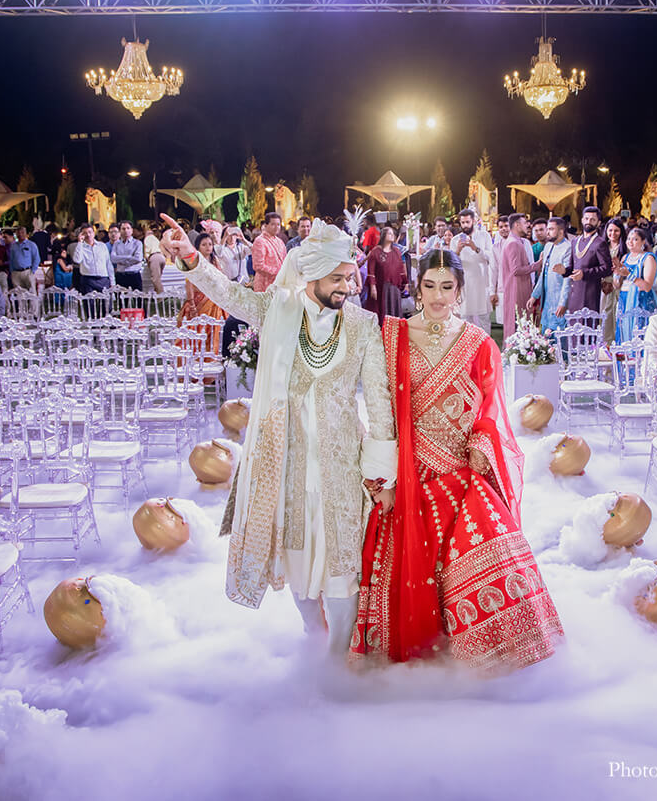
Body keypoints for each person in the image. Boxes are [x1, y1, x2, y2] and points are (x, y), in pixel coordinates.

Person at [161, 213, 397, 656]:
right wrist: (192, 259)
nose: (349, 287)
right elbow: (230, 295)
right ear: (312, 274)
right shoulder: (279, 309)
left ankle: (338, 659)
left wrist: (383, 475)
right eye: (339, 278)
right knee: (299, 561)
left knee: (343, 566)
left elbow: (380, 402)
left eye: (351, 277)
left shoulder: (363, 325)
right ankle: (314, 641)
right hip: (287, 463)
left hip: (343, 468)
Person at [352, 249, 563, 669]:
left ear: (461, 291)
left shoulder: (478, 343)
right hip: (409, 473)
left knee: (485, 546)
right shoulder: (391, 336)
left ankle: (486, 652)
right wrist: (382, 474)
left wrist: (482, 444)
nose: (437, 296)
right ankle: (423, 654)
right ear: (417, 288)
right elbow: (380, 406)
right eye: (429, 286)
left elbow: (490, 407)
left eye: (447, 287)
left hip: (463, 472)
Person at [176, 233, 227, 352]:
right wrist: (191, 304)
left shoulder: (215, 261)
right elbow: (189, 284)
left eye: (210, 244)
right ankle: (196, 355)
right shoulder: (193, 262)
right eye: (204, 245)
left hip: (215, 299)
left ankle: (213, 354)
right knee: (197, 329)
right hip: (198, 300)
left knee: (216, 327)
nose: (208, 247)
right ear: (198, 247)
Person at [449, 209, 496, 333]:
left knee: (484, 317)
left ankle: (486, 343)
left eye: (467, 222)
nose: (465, 225)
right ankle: (468, 344)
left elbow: (490, 257)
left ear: (474, 221)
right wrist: (457, 251)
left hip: (481, 281)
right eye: (463, 222)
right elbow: (451, 264)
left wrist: (475, 248)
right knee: (465, 317)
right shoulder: (455, 240)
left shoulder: (484, 235)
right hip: (465, 282)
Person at [527, 216, 573, 335]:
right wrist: (534, 296)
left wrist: (563, 303)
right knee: (545, 336)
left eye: (551, 229)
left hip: (559, 300)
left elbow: (567, 279)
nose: (547, 232)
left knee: (558, 337)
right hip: (547, 300)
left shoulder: (568, 248)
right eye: (547, 229)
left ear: (561, 231)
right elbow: (543, 274)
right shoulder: (548, 246)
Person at [614, 226, 657, 342]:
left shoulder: (648, 258)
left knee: (639, 331)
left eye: (635, 239)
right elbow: (617, 285)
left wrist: (629, 274)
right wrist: (617, 273)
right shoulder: (625, 257)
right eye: (629, 239)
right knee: (624, 331)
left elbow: (647, 286)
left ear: (643, 241)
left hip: (641, 299)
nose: (630, 242)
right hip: (624, 298)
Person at [494, 213, 539, 331]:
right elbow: (516, 270)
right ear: (517, 225)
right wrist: (537, 265)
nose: (527, 226)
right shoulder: (513, 243)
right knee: (518, 324)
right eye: (524, 223)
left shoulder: (516, 241)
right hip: (516, 290)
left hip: (518, 288)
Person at [567, 206, 613, 313]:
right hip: (574, 291)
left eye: (593, 219)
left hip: (590, 291)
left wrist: (584, 273)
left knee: (588, 321)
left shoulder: (600, 243)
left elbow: (607, 268)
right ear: (582, 220)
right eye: (586, 218)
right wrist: (564, 271)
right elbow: (571, 266)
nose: (589, 222)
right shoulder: (575, 241)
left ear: (598, 222)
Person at [365, 226, 407, 326]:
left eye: (393, 233)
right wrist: (373, 286)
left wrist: (405, 283)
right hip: (381, 287)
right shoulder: (375, 252)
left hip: (394, 287)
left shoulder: (396, 251)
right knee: (382, 309)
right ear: (383, 236)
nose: (392, 235)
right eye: (389, 233)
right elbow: (371, 271)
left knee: (394, 309)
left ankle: (394, 329)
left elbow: (401, 268)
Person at [601, 218, 628, 342]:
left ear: (621, 231)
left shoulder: (625, 248)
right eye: (610, 230)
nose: (613, 233)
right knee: (605, 314)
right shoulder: (602, 246)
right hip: (604, 286)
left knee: (617, 314)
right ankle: (605, 343)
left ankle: (618, 343)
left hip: (619, 285)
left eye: (616, 231)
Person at [74, 223, 115, 295]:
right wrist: (80, 242)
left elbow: (108, 264)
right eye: (85, 233)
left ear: (94, 233)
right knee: (89, 301)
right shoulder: (80, 247)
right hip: (88, 279)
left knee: (106, 301)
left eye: (90, 232)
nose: (88, 235)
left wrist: (112, 282)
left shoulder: (102, 246)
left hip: (103, 279)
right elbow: (77, 260)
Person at [251, 212, 286, 293]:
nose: (276, 227)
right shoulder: (260, 241)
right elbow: (258, 266)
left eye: (278, 224)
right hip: (265, 284)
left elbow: (285, 261)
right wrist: (278, 272)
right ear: (266, 225)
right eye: (273, 224)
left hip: (279, 284)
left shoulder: (280, 241)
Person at [110, 220, 144, 290]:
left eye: (128, 228)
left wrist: (120, 260)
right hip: (120, 275)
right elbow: (113, 259)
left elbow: (138, 258)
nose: (126, 230)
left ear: (132, 230)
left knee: (137, 296)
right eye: (123, 229)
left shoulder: (137, 243)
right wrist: (129, 257)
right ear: (120, 231)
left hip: (134, 275)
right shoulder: (116, 244)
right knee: (120, 296)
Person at [8, 226, 41, 293]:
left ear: (26, 234)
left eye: (22, 232)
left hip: (27, 272)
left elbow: (36, 259)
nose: (20, 234)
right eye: (18, 233)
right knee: (19, 294)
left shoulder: (31, 245)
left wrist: (32, 271)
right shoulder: (13, 246)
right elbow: (11, 259)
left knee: (31, 293)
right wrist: (12, 272)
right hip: (16, 273)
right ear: (16, 234)